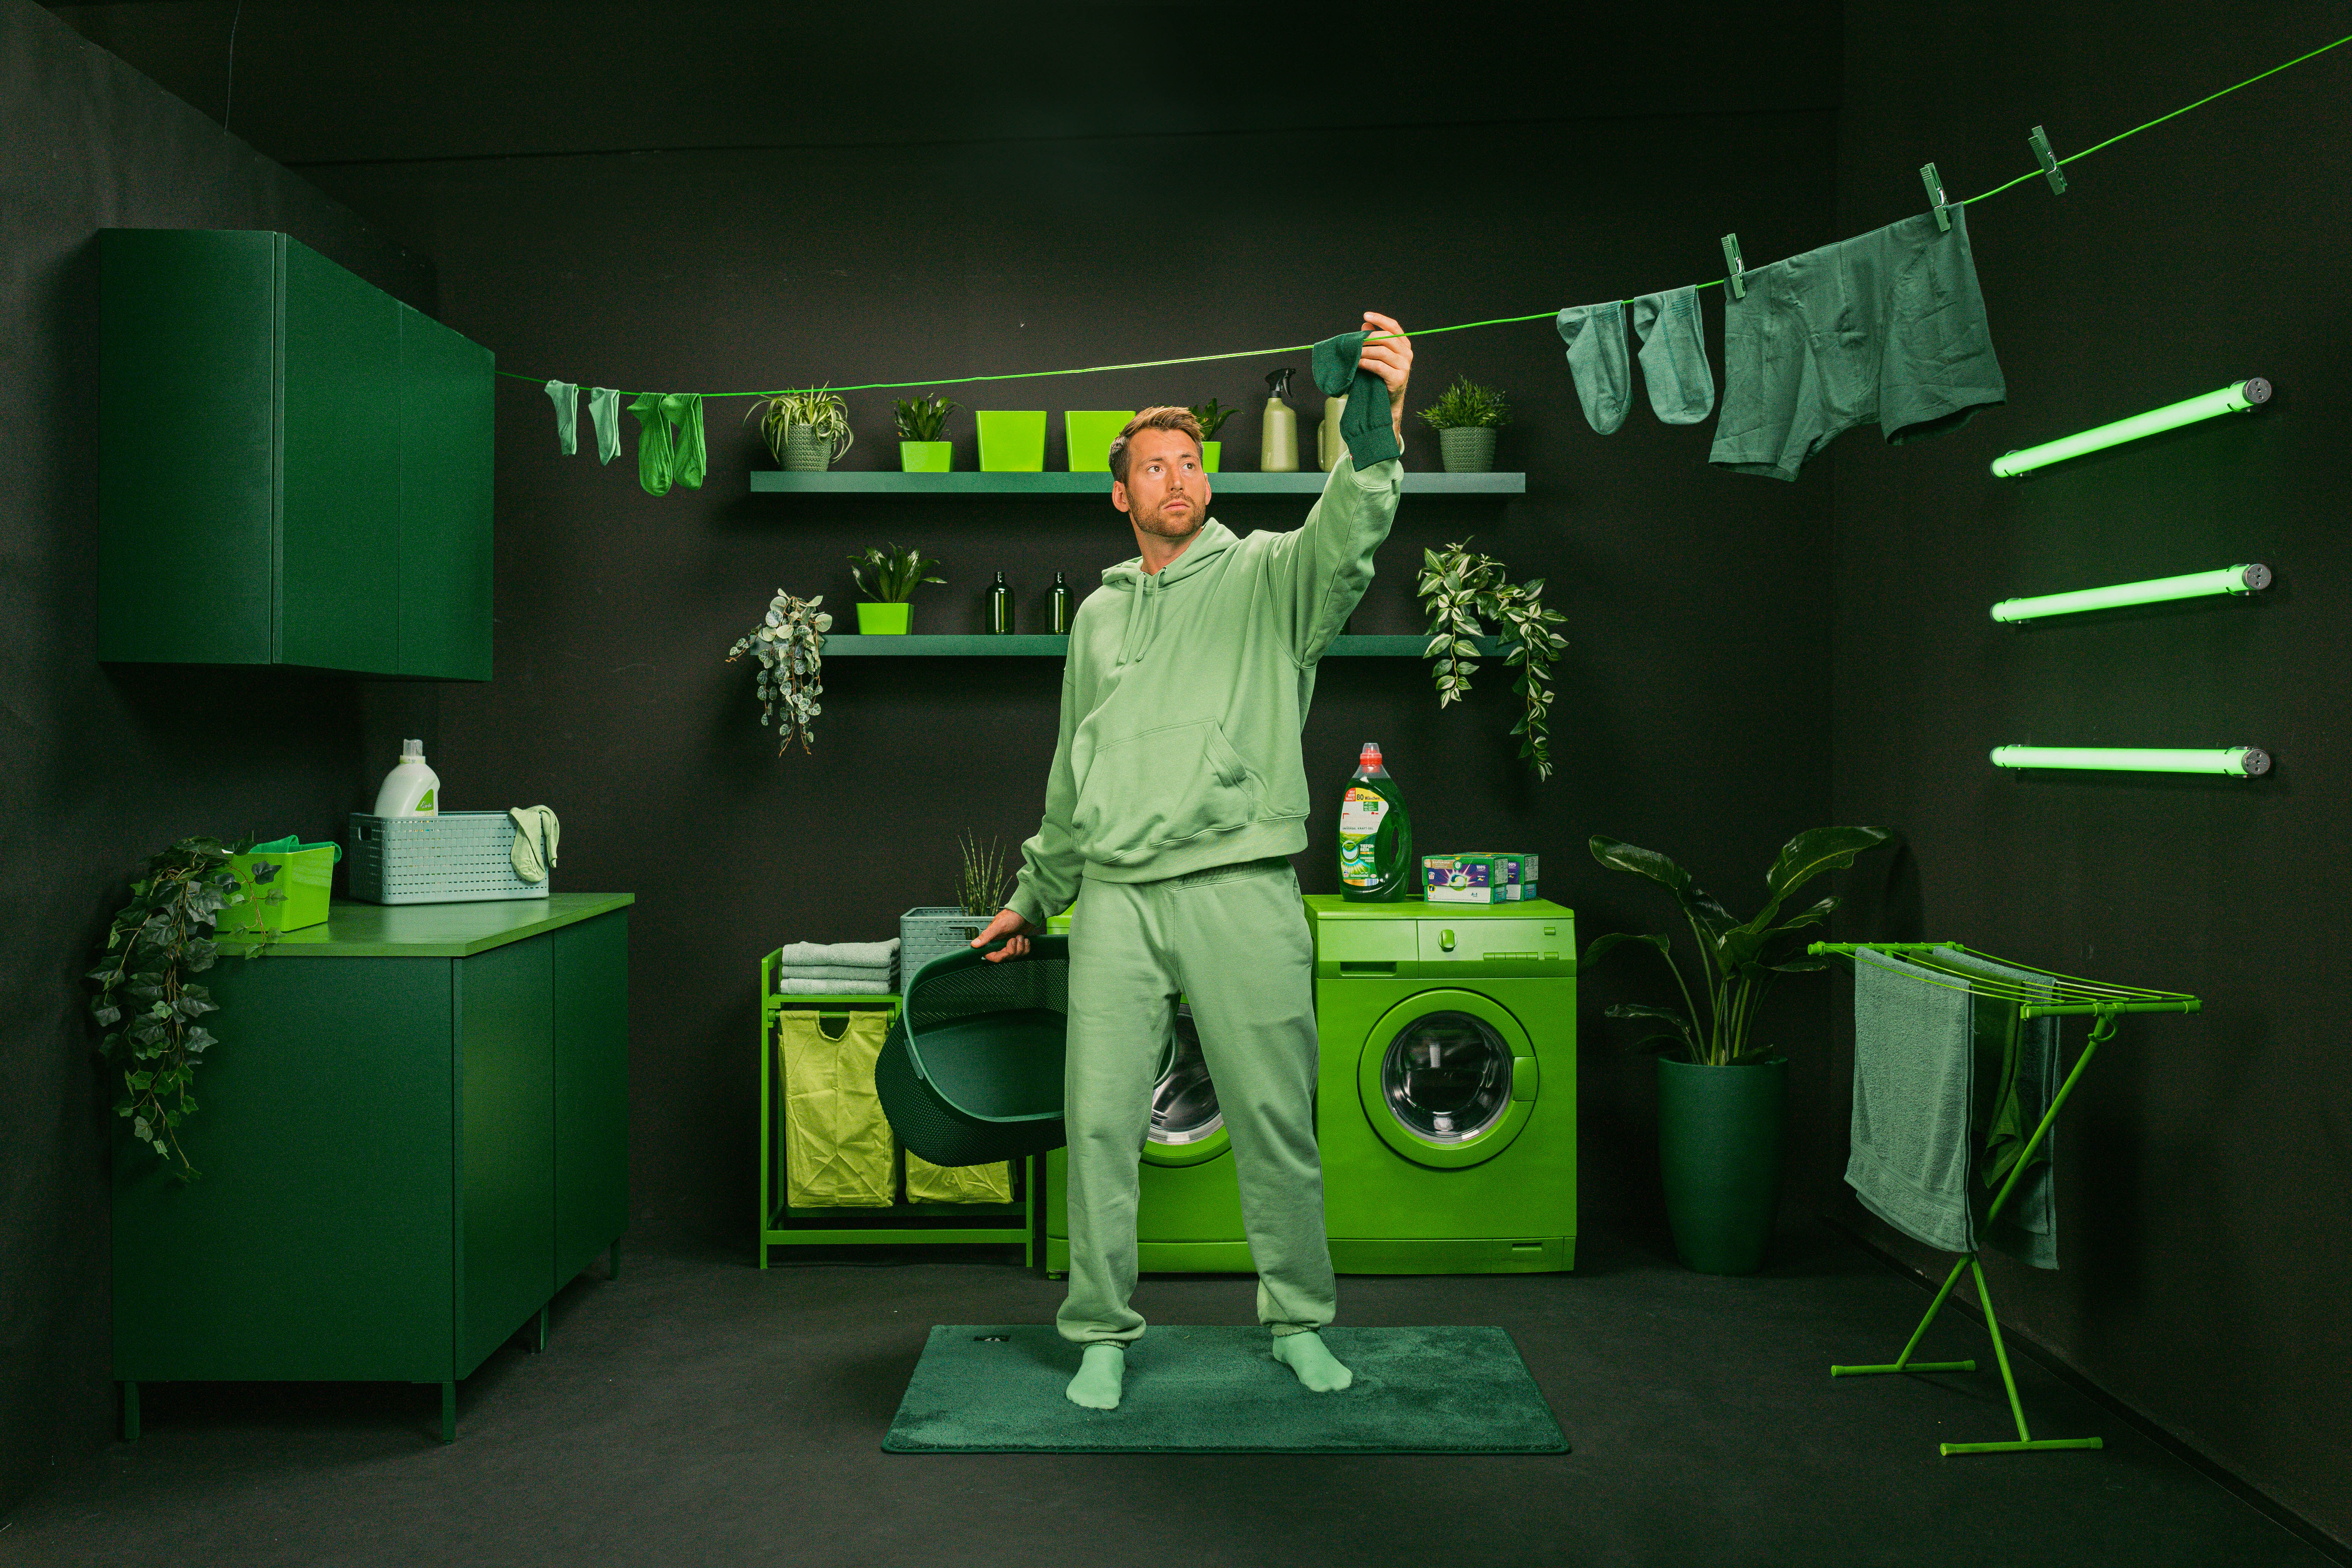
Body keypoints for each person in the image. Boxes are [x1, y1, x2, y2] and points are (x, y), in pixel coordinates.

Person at [969, 314, 1414, 1410]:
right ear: (1121, 495)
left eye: (1192, 460)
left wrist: (1377, 425)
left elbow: (1347, 533)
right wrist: (1036, 894)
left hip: (1240, 884)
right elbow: (1073, 774)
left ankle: (1300, 1322)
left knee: (1272, 1119)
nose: (1179, 476)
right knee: (1104, 1126)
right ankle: (1103, 1336)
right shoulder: (1101, 621)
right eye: (1156, 466)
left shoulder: (1271, 577)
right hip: (1117, 897)